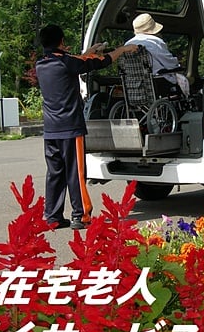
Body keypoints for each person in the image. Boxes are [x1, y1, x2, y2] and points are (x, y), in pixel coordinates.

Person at [36, 24, 138, 230]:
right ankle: (80, 215)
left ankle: (53, 216)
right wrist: (123, 50)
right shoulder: (67, 62)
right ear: (62, 42)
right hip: (71, 128)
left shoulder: (41, 64)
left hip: (50, 130)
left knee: (55, 173)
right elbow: (102, 62)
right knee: (76, 173)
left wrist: (89, 52)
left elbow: (76, 61)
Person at [125, 13, 189, 97]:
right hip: (156, 83)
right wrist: (178, 65)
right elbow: (169, 62)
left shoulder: (127, 44)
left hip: (133, 83)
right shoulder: (155, 41)